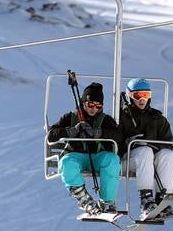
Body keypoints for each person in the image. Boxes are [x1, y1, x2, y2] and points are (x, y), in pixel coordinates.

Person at [47, 81, 121, 216]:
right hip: (76, 155)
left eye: (98, 106)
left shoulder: (105, 120)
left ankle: (107, 201)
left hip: (98, 156)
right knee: (66, 163)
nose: (94, 109)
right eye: (90, 104)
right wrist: (71, 131)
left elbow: (118, 136)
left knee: (112, 160)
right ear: (83, 103)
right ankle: (84, 198)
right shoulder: (70, 118)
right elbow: (51, 135)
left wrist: (99, 133)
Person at [121, 77, 173, 220]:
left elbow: (167, 142)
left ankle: (162, 200)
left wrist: (154, 145)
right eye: (137, 96)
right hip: (128, 161)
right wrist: (131, 141)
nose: (142, 99)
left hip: (150, 160)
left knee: (168, 155)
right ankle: (146, 201)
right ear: (129, 96)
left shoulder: (157, 118)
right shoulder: (121, 117)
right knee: (144, 151)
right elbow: (114, 141)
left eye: (145, 95)